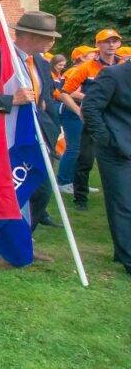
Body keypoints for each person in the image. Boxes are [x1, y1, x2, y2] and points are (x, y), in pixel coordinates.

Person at [0, 11, 61, 266]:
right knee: (1, 192)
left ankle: (23, 241)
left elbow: (45, 99)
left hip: (33, 139)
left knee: (39, 191)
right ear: (31, 36)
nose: (52, 42)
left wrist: (53, 131)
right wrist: (10, 100)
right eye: (48, 37)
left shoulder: (41, 62)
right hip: (1, 141)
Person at [60, 29, 123, 210]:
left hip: (118, 120)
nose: (111, 45)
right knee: (85, 159)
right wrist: (79, 110)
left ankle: (119, 196)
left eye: (114, 41)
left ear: (119, 43)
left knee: (121, 157)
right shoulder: (86, 68)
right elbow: (64, 92)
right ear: (98, 45)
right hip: (95, 120)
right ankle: (80, 199)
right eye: (106, 41)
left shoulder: (123, 65)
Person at [81, 59, 131, 278]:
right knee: (123, 203)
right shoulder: (113, 74)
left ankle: (121, 251)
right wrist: (104, 138)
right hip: (116, 150)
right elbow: (90, 107)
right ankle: (128, 257)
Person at [56, 46, 93, 191]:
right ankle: (64, 181)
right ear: (82, 57)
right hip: (72, 112)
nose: (95, 56)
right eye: (91, 54)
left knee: (80, 148)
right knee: (74, 148)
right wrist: (93, 97)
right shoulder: (75, 71)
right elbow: (70, 93)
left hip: (76, 112)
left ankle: (76, 182)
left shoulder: (83, 70)